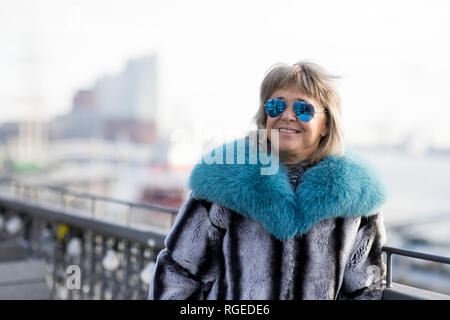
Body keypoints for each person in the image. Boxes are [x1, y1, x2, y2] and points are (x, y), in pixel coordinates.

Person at [148, 61, 389, 300]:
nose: (287, 116)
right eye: (276, 106)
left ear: (326, 124)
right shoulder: (226, 181)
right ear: (266, 116)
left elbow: (366, 289)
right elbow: (178, 274)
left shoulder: (354, 196)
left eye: (303, 109)